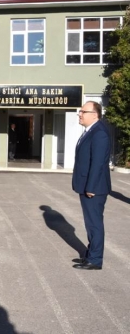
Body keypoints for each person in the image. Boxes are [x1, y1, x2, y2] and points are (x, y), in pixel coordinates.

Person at [72, 101, 111, 270]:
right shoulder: (91, 131)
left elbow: (98, 164)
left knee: (94, 223)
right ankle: (90, 254)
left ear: (94, 115)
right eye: (80, 111)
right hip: (87, 185)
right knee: (90, 223)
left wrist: (91, 187)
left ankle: (95, 259)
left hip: (94, 188)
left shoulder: (99, 133)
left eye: (83, 111)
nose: (80, 114)